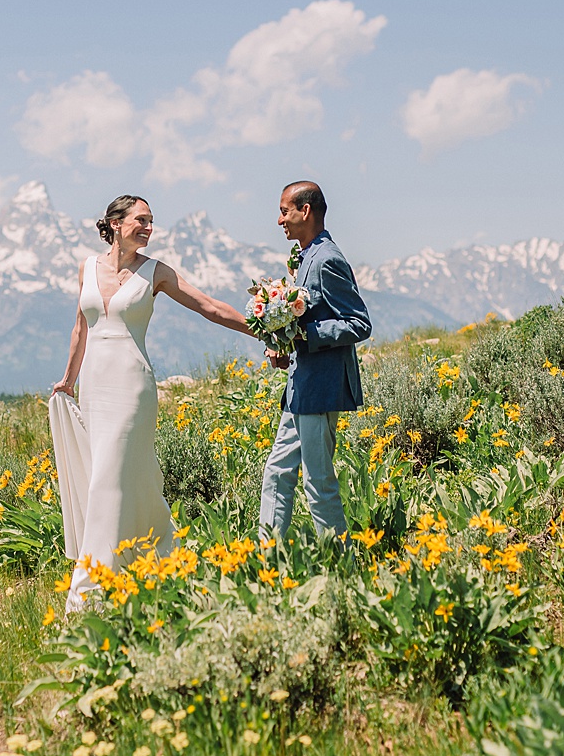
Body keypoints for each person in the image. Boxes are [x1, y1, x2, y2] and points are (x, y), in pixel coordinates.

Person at [51, 194, 254, 609]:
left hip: (132, 387)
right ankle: (158, 555)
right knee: (123, 478)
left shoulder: (156, 272)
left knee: (109, 475)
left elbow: (209, 307)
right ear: (115, 223)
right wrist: (68, 380)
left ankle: (89, 588)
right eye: (141, 220)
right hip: (93, 386)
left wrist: (264, 329)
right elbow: (80, 328)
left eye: (151, 222)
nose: (148, 228)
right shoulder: (86, 268)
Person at [260, 181, 372, 543]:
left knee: (318, 481)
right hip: (300, 387)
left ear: (305, 211)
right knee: (278, 472)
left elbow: (358, 323)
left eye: (284, 211)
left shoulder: (327, 259)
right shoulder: (306, 255)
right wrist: (283, 341)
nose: (279, 221)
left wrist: (302, 337)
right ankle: (266, 558)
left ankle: (341, 566)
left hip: (320, 388)